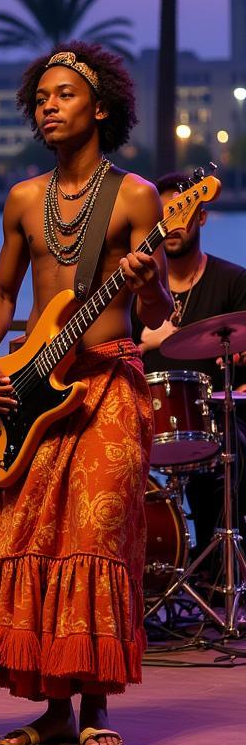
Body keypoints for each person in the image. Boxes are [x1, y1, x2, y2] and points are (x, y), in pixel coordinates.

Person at [0, 43, 173, 745]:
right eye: (41, 97)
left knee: (92, 540)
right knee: (22, 534)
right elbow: (3, 294)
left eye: (63, 95)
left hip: (107, 383)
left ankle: (94, 708)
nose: (48, 106)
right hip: (31, 383)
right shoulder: (25, 198)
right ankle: (51, 708)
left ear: (100, 108)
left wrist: (143, 278)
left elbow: (152, 308)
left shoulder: (137, 197)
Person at [133, 172, 246, 552]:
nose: (171, 225)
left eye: (180, 213)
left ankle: (218, 572)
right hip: (140, 417)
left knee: (231, 444)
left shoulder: (233, 283)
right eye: (162, 217)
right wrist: (143, 346)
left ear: (199, 217)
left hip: (214, 420)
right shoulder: (136, 289)